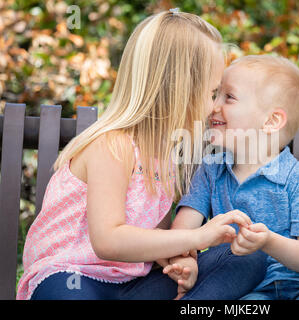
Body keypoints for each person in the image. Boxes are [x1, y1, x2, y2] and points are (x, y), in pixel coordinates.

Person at [16, 10, 266, 300]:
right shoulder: (112, 145)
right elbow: (108, 241)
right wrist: (198, 237)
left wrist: (181, 261)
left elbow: (153, 241)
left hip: (130, 286)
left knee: (246, 258)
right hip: (71, 277)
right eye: (211, 93)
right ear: (177, 88)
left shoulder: (166, 158)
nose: (213, 107)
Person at [171, 54, 299, 300]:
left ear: (271, 121)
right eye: (215, 95)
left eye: (229, 97)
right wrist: (185, 263)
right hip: (250, 290)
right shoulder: (211, 170)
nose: (213, 106)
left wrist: (268, 241)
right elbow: (181, 233)